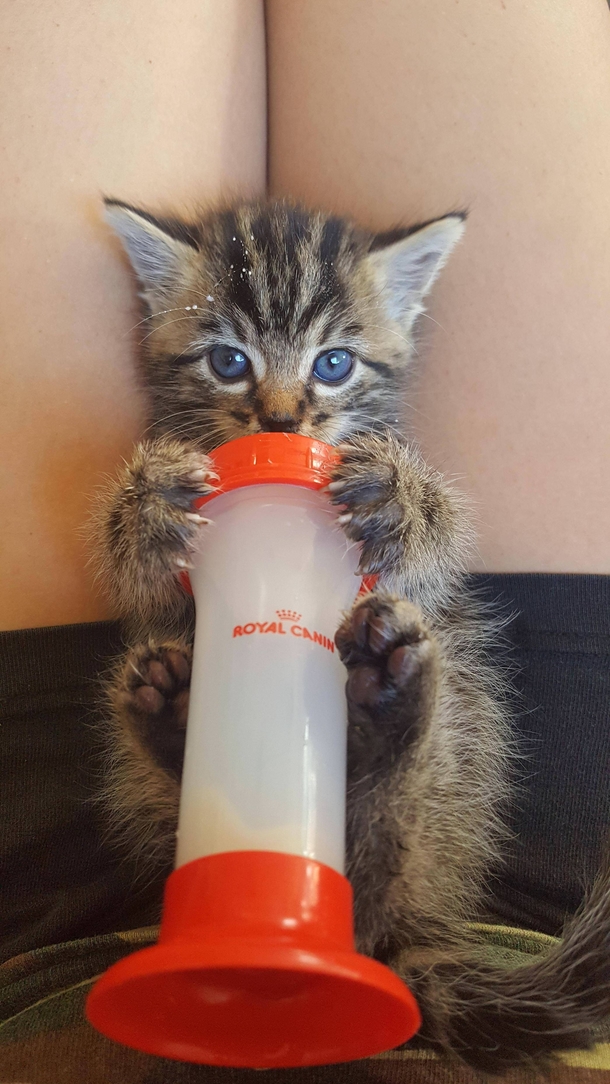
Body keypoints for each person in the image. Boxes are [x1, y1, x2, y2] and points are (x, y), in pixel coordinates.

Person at [1, 1, 609, 1079]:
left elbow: (145, 573)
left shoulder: (249, 425)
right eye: (228, 363)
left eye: (335, 367)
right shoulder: (266, 422)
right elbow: (430, 560)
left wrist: (152, 503)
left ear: (395, 320)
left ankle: (279, 756)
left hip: (82, 935)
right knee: (417, 641)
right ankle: (377, 746)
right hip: (512, 890)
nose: (282, 402)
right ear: (163, 309)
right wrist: (401, 512)